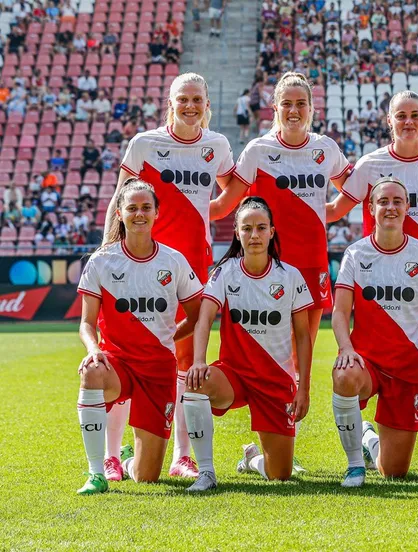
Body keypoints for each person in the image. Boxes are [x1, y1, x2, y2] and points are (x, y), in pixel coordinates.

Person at [326, 90, 418, 470]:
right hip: (379, 288)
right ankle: (369, 437)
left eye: (415, 115)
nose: (408, 121)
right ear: (389, 121)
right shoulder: (369, 164)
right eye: (401, 115)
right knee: (368, 365)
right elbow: (332, 211)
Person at [211, 72, 351, 471]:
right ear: (275, 107)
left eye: (300, 104)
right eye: (286, 103)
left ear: (311, 109)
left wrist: (324, 215)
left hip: (312, 264)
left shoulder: (325, 149)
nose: (293, 110)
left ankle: (273, 444)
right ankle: (266, 444)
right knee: (274, 347)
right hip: (269, 267)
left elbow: (352, 189)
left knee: (298, 350)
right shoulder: (258, 150)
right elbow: (227, 204)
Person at [102, 72, 235, 481]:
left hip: (193, 267)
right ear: (171, 102)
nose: (190, 106)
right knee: (123, 353)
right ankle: (110, 456)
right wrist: (108, 252)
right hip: (140, 267)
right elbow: (119, 199)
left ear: (207, 103)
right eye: (183, 99)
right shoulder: (145, 143)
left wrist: (204, 213)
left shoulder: (217, 145)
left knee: (184, 361)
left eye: (197, 98)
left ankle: (183, 455)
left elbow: (232, 191)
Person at [75, 178, 203, 494]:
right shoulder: (102, 260)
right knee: (91, 371)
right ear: (119, 213)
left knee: (148, 477)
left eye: (146, 207)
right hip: (117, 363)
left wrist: (171, 337)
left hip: (158, 370)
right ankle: (98, 471)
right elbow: (86, 323)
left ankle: (130, 461)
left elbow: (199, 314)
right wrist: (93, 348)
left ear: (157, 213)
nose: (139, 214)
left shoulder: (173, 260)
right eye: (132, 208)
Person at [183, 197, 313, 491]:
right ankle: (206, 472)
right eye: (247, 228)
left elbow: (303, 335)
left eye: (261, 228)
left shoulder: (290, 277)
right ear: (238, 234)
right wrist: (199, 360)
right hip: (234, 374)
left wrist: (304, 387)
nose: (254, 235)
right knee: (195, 382)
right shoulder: (225, 272)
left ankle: (252, 458)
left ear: (271, 232)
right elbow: (204, 319)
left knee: (279, 474)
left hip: (274, 381)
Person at [331, 177, 418, 488]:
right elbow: (341, 312)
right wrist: (346, 348)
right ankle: (355, 464)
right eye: (383, 201)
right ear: (371, 208)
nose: (391, 207)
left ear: (408, 208)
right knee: (343, 375)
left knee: (394, 472)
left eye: (398, 201)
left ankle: (369, 439)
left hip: (407, 367)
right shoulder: (356, 254)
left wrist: (408, 334)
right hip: (366, 362)